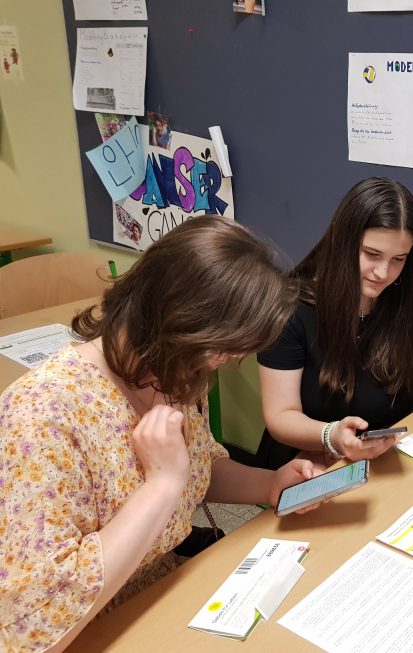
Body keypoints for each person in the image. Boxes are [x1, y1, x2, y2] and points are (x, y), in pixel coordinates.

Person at [0, 216, 327, 652]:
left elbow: (199, 468)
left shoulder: (175, 373)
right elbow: (37, 627)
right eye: (221, 349)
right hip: (93, 626)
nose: (222, 364)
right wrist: (161, 484)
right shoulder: (43, 416)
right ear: (174, 322)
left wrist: (269, 484)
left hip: (163, 596)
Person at [256, 177, 413, 470]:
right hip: (308, 460)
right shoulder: (290, 308)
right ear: (341, 241)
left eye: (399, 259)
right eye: (372, 255)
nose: (383, 272)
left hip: (388, 462)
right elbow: (280, 416)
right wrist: (332, 437)